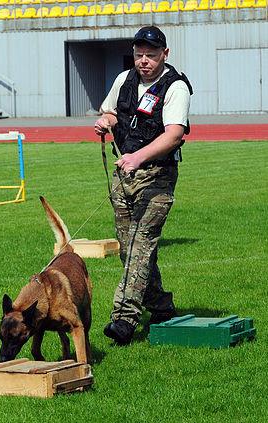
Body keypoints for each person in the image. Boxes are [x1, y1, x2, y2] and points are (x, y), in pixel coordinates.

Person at [93, 26, 192, 345]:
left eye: (151, 55)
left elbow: (173, 134)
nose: (144, 61)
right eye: (139, 55)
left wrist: (137, 157)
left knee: (141, 242)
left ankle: (124, 318)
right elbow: (109, 111)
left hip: (158, 175)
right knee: (129, 248)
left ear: (165, 54)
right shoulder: (124, 80)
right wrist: (105, 121)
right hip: (124, 174)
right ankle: (161, 307)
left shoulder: (175, 87)